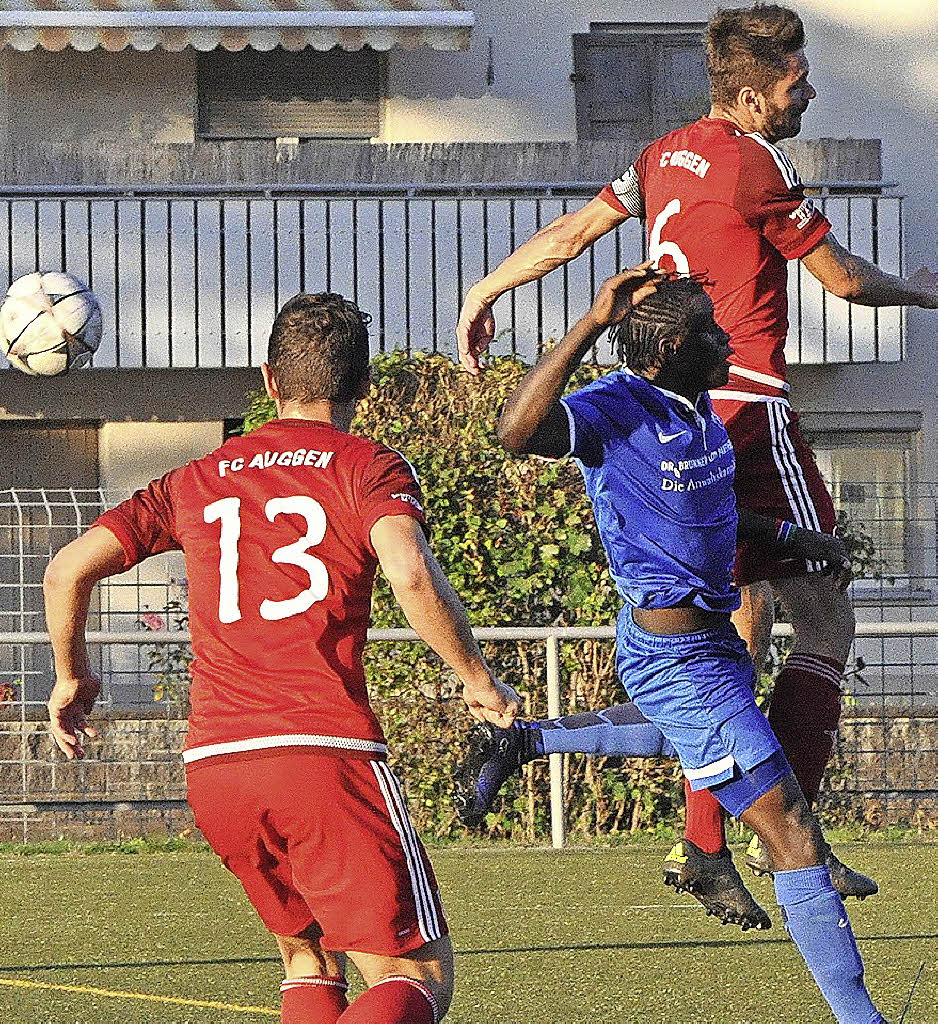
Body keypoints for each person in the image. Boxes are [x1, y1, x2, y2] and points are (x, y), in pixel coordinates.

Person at [454, 2, 938, 924]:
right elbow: (840, 278)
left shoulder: (661, 155)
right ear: (753, 94)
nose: (809, 91)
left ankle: (704, 845)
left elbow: (568, 238)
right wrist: (921, 291)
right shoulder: (759, 162)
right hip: (747, 404)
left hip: (675, 410)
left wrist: (487, 286)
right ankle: (793, 834)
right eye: (797, 80)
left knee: (739, 632)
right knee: (827, 617)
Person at [44, 292, 520, 1024]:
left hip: (217, 769)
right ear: (363, 386)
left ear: (269, 381)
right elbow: (410, 572)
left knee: (310, 957)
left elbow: (66, 569)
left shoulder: (197, 478)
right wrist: (477, 679)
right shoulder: (367, 466)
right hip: (321, 753)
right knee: (414, 976)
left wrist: (72, 676)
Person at [492, 265, 887, 1023]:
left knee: (702, 750)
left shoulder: (697, 402)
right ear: (670, 345)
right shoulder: (615, 406)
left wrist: (788, 533)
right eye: (710, 327)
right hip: (680, 660)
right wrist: (591, 320)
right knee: (793, 831)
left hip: (709, 650)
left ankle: (531, 740)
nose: (726, 335)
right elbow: (515, 432)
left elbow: (710, 509)